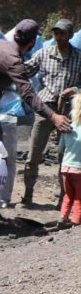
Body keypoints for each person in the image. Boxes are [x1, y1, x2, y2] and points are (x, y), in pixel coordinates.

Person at [0, 19, 71, 145]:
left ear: (15, 34)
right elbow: (28, 94)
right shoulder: (13, 61)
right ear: (33, 42)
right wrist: (53, 117)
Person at [21, 19, 81, 205]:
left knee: (66, 157)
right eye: (56, 33)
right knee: (34, 154)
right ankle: (28, 193)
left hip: (70, 111)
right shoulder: (44, 53)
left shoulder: (79, 57)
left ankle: (64, 198)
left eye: (62, 33)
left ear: (70, 35)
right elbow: (24, 72)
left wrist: (75, 90)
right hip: (46, 109)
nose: (58, 36)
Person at [58, 92, 81, 226]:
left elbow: (60, 149)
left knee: (68, 195)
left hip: (66, 167)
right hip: (79, 169)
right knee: (79, 197)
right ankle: (76, 222)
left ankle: (62, 218)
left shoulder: (68, 127)